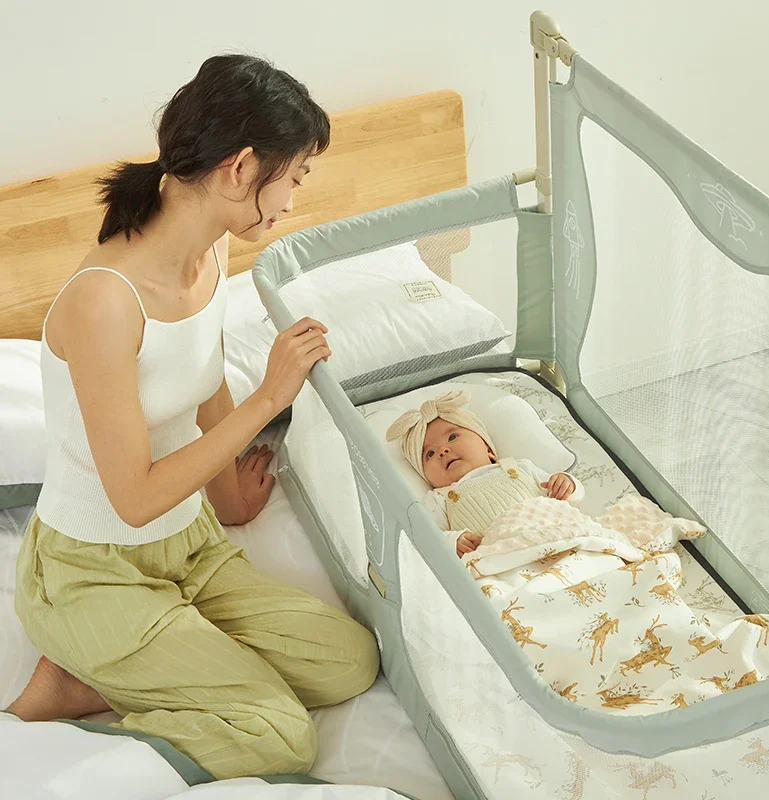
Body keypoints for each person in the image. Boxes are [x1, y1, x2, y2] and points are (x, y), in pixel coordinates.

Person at [7, 55, 379, 780]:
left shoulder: (211, 247)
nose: (291, 203)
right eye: (295, 177)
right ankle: (71, 687)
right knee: (282, 737)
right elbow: (134, 497)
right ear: (242, 168)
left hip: (188, 547)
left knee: (349, 661)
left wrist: (231, 498)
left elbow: (202, 378)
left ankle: (108, 677)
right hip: (93, 573)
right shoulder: (104, 302)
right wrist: (269, 398)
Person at [386, 390, 584, 556]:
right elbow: (428, 539)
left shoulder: (520, 467)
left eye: (452, 437)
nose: (442, 451)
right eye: (429, 454)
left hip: (557, 536)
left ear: (488, 449)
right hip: (503, 560)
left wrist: (567, 484)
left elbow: (566, 498)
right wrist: (453, 541)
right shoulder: (438, 499)